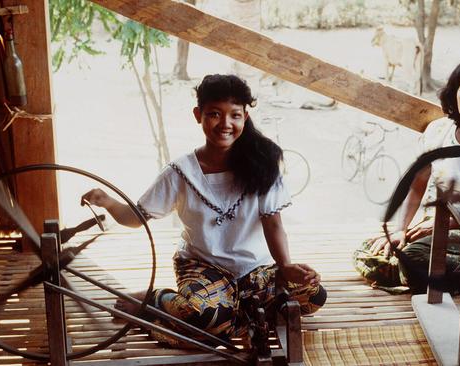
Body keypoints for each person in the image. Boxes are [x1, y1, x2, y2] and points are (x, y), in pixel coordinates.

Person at [81, 74, 326, 347]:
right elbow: (137, 218)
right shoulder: (180, 172)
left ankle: (232, 312)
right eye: (214, 114)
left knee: (313, 294)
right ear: (198, 115)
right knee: (206, 317)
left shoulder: (263, 164)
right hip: (203, 267)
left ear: (245, 116)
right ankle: (154, 299)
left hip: (255, 270)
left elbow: (273, 224)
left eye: (235, 115)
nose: (225, 124)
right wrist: (107, 201)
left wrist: (285, 267)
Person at [364, 56, 460, 298]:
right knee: (368, 251)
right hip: (434, 224)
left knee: (414, 257)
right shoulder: (438, 132)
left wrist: (446, 223)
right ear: (454, 93)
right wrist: (401, 230)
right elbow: (417, 186)